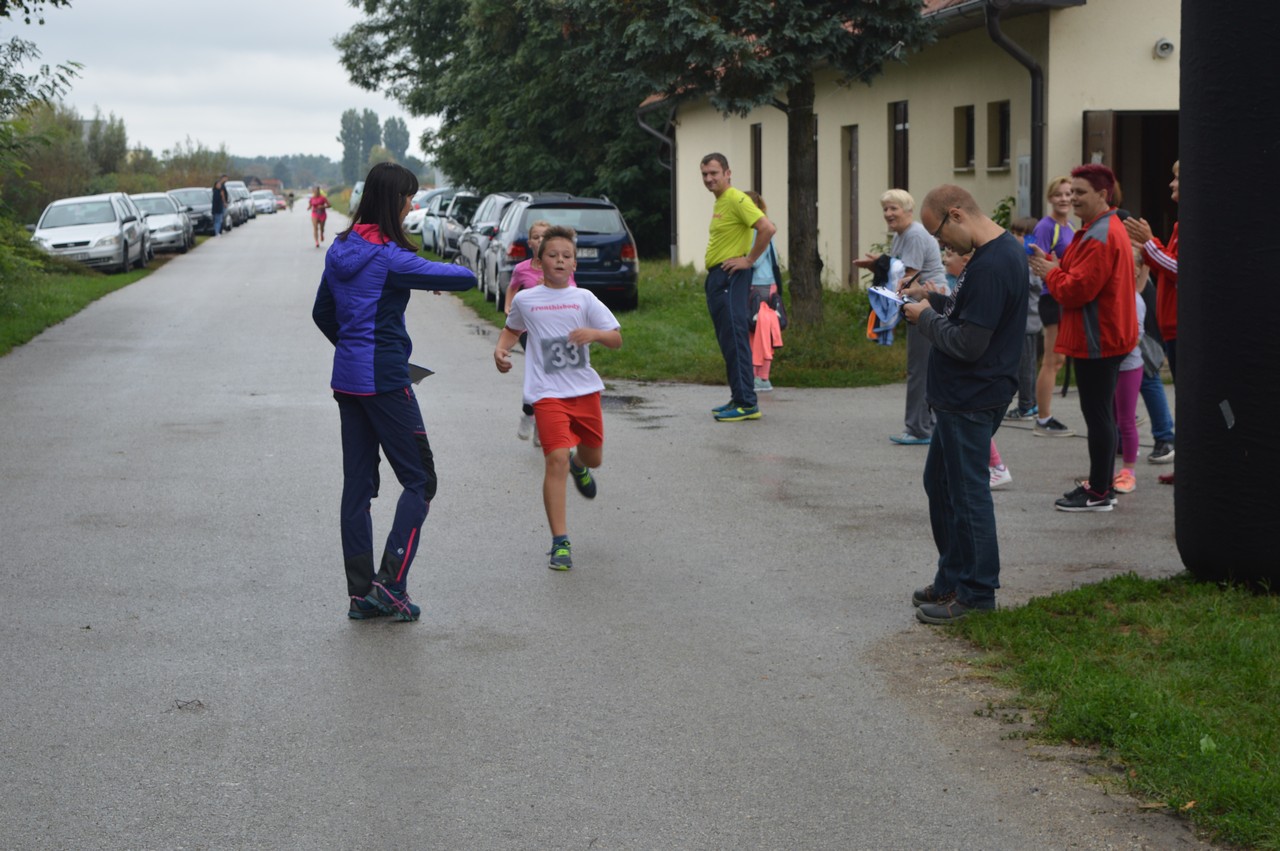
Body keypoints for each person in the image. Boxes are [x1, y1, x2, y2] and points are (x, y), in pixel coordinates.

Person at [311, 162, 476, 621]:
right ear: (393, 201)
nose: (412, 205)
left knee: (357, 489)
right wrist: (446, 273)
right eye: (408, 198)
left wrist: (352, 348)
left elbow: (322, 312)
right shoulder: (386, 256)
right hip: (384, 380)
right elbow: (460, 278)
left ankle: (362, 595)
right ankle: (392, 585)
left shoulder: (342, 247)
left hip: (348, 381)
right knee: (420, 480)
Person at [901, 185, 1028, 624]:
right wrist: (932, 300)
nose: (942, 245)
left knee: (969, 495)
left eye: (940, 235)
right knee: (940, 484)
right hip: (963, 397)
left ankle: (976, 594)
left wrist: (926, 319)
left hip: (972, 397)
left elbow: (969, 343)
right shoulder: (992, 255)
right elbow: (967, 313)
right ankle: (952, 576)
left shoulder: (994, 263)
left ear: (955, 215)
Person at [494, 225, 623, 571]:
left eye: (567, 256)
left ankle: (581, 466)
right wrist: (501, 350)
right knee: (555, 460)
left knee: (592, 458)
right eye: (553, 255)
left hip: (584, 392)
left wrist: (593, 333)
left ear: (574, 264)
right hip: (547, 393)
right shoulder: (526, 300)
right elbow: (511, 329)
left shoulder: (584, 299)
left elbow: (615, 339)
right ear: (539, 261)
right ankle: (560, 542)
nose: (561, 261)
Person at [1030, 164, 1138, 512]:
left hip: (1099, 337)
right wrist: (1052, 265)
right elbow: (1077, 275)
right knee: (1100, 412)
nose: (1073, 198)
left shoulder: (1100, 234)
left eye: (1080, 193)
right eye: (1070, 192)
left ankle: (1099, 492)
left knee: (1098, 414)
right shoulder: (1099, 228)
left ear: (1103, 195)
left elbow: (1077, 290)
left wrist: (1051, 273)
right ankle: (1101, 485)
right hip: (1104, 334)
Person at [854, 189, 948, 445]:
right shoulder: (902, 235)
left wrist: (881, 264)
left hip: (928, 303)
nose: (888, 214)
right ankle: (927, 424)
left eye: (894, 208)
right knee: (923, 366)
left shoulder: (915, 234)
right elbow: (897, 269)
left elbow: (908, 276)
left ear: (908, 210)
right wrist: (880, 264)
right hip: (919, 304)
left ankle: (920, 428)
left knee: (920, 368)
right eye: (885, 209)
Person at [700, 153, 776, 422]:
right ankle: (738, 396)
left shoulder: (736, 199)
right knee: (728, 339)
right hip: (719, 278)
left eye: (714, 173)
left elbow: (767, 227)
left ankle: (747, 403)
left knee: (735, 337)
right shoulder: (722, 202)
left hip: (731, 277)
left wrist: (749, 260)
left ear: (727, 173)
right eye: (705, 175)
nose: (709, 179)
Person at [1125, 160, 1179, 483]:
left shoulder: (1190, 223)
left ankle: (1172, 445)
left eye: (1177, 178)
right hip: (1171, 323)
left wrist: (1148, 243)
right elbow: (1164, 267)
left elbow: (1178, 269)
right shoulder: (1177, 226)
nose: (1171, 184)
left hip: (1179, 325)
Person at [505, 220, 577, 444]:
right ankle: (529, 414)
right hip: (529, 329)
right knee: (540, 371)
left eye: (543, 237)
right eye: (536, 237)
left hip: (556, 330)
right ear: (530, 243)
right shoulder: (522, 268)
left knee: (553, 374)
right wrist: (509, 306)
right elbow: (512, 287)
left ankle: (540, 422)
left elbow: (572, 290)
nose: (539, 240)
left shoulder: (560, 267)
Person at [1030, 176, 1076, 437]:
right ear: (1050, 198)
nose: (1065, 199)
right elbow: (1037, 265)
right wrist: (1057, 267)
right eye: (1059, 194)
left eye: (1069, 194)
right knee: (1052, 360)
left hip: (1065, 296)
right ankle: (1043, 419)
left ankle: (1044, 416)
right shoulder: (1047, 226)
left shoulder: (1068, 225)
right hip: (1052, 296)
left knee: (1059, 359)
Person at [744, 191, 784, 393]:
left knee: (754, 332)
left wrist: (742, 259)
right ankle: (763, 377)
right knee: (766, 332)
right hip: (771, 285)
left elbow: (756, 259)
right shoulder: (768, 225)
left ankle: (755, 377)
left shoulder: (754, 229)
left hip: (757, 285)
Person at [1006, 217, 1043, 420]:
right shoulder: (1022, 260)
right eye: (1014, 233)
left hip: (1028, 322)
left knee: (1025, 366)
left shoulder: (1032, 264)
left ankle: (1026, 405)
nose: (1015, 238)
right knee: (1027, 364)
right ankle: (1031, 403)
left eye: (1020, 234)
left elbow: (1034, 284)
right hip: (1026, 322)